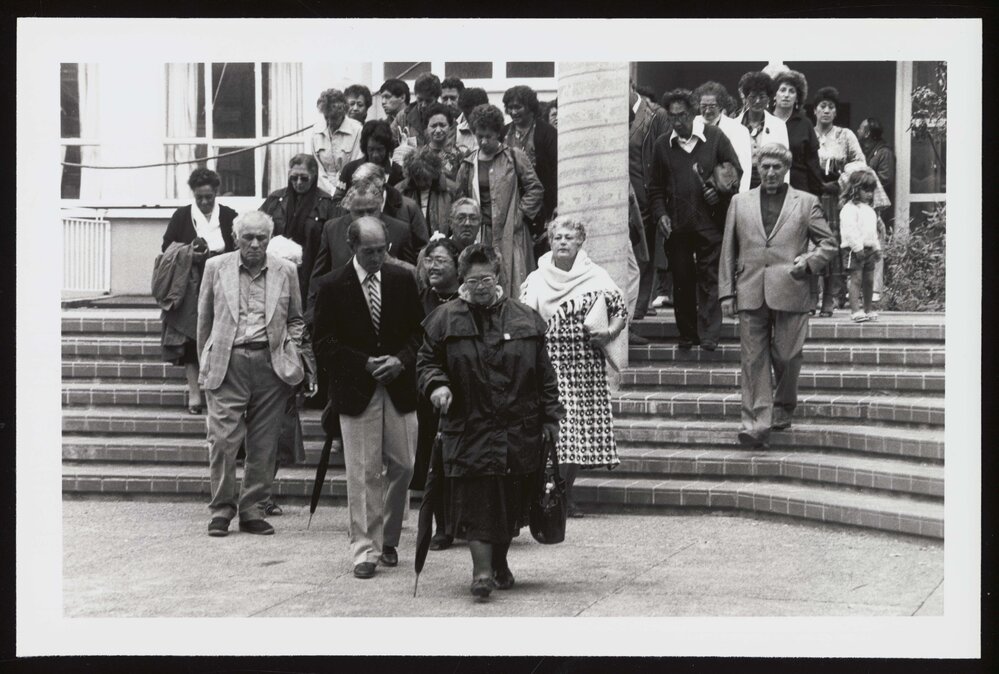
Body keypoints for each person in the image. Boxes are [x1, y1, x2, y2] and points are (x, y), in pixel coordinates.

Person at [418, 244, 563, 597]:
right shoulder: (444, 319)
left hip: (519, 429)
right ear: (461, 280)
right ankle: (481, 573)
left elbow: (545, 375)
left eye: (486, 278)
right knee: (478, 500)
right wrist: (437, 386)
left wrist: (551, 417)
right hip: (469, 427)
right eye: (472, 280)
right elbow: (427, 363)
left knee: (510, 502)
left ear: (498, 277)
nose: (480, 286)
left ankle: (499, 563)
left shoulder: (524, 317)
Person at [312, 216, 425, 579]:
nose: (377, 257)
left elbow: (418, 335)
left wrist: (400, 360)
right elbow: (323, 343)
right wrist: (363, 363)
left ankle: (389, 536)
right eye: (369, 251)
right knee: (363, 471)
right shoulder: (331, 285)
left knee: (404, 464)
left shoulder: (402, 279)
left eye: (382, 250)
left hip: (399, 385)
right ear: (352, 247)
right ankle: (365, 550)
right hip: (356, 389)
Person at [198, 211, 315, 537]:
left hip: (270, 365)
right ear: (236, 238)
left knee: (264, 444)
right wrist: (206, 363)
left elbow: (296, 317)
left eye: (261, 238)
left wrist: (288, 349)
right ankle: (221, 509)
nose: (254, 244)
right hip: (227, 363)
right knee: (222, 441)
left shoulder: (286, 270)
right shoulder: (215, 268)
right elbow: (203, 320)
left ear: (269, 238)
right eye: (247, 237)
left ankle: (252, 510)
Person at [718, 144, 838, 448]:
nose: (770, 173)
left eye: (776, 168)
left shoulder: (806, 202)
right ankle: (756, 425)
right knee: (753, 360)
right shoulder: (739, 202)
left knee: (787, 355)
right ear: (758, 168)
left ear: (786, 170)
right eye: (765, 167)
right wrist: (726, 292)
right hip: (750, 289)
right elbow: (727, 251)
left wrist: (808, 262)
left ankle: (784, 404)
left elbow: (828, 244)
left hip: (791, 287)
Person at [520, 218, 626, 518]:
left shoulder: (596, 275)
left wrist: (609, 333)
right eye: (557, 237)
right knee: (562, 432)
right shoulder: (537, 278)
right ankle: (554, 494)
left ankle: (564, 494)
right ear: (550, 241)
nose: (563, 242)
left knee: (578, 433)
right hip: (550, 362)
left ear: (580, 242)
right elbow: (524, 317)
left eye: (569, 237)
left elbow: (620, 309)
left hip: (586, 364)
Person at [647, 88, 743, 351]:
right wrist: (661, 214)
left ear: (693, 113)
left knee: (710, 277)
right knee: (682, 279)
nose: (677, 122)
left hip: (710, 222)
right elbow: (654, 188)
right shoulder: (662, 146)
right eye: (672, 117)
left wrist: (717, 189)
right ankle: (688, 334)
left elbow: (735, 171)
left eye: (682, 116)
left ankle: (710, 334)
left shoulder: (714, 138)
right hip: (677, 225)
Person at [160, 167, 237, 415]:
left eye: (209, 197)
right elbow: (167, 247)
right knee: (192, 337)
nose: (204, 202)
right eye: (199, 197)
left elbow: (239, 247)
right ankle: (195, 393)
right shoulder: (182, 216)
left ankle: (217, 390)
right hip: (190, 285)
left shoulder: (228, 216)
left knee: (221, 335)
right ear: (193, 195)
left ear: (216, 193)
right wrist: (188, 253)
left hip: (223, 283)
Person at [455, 103, 544, 298]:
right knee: (484, 280)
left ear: (498, 134)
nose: (484, 141)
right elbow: (460, 198)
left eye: (489, 136)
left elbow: (535, 188)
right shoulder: (468, 163)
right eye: (480, 136)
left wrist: (520, 214)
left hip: (511, 232)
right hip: (481, 232)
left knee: (515, 283)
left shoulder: (514, 156)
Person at [410, 238, 462, 550]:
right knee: (436, 459)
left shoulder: (468, 299)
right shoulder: (418, 299)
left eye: (441, 260)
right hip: (428, 392)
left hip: (463, 390)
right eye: (429, 260)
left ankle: (465, 521)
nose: (433, 266)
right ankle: (442, 526)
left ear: (457, 265)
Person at [307, 182, 422, 313]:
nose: (366, 216)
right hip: (343, 309)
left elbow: (412, 276)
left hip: (387, 309)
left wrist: (393, 262)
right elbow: (319, 275)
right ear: (349, 209)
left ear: (380, 206)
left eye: (371, 211)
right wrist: (310, 314)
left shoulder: (400, 229)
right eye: (359, 212)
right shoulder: (332, 228)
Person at [811, 85, 866, 316]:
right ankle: (812, 297)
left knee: (832, 245)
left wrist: (841, 181)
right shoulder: (808, 132)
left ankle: (830, 299)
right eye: (822, 106)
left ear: (835, 112)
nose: (826, 111)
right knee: (812, 246)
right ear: (815, 110)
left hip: (835, 197)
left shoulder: (845, 135)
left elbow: (860, 163)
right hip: (811, 196)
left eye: (831, 107)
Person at [258, 154, 339, 305]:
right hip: (277, 269)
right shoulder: (275, 200)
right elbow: (258, 227)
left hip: (311, 270)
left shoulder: (326, 203)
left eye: (304, 178)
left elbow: (332, 242)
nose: (298, 183)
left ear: (314, 176)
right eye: (294, 178)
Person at [628, 80, 672, 322]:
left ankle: (636, 313)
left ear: (631, 86)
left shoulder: (656, 115)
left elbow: (664, 156)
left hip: (644, 197)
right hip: (618, 200)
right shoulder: (611, 114)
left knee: (643, 257)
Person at [503, 85, 558, 247]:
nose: (513, 112)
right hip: (511, 201)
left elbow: (555, 171)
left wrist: (555, 204)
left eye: (518, 107)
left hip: (543, 203)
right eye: (510, 107)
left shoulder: (547, 133)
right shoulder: (503, 132)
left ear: (530, 107)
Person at [351, 162, 430, 259]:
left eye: (366, 186)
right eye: (357, 187)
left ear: (380, 184)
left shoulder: (409, 207)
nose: (361, 192)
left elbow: (422, 248)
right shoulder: (353, 206)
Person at [770, 70, 825, 196]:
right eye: (782, 90)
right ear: (774, 95)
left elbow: (813, 164)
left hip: (799, 188)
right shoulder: (766, 120)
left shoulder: (805, 124)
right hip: (769, 186)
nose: (786, 95)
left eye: (792, 91)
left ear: (797, 98)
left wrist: (816, 195)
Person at [694, 81, 753, 193]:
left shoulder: (738, 130)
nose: (707, 111)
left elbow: (744, 168)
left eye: (712, 106)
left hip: (726, 193)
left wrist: (740, 198)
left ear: (721, 105)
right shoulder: (692, 125)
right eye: (703, 106)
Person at [839, 171, 882, 322]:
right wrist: (857, 248)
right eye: (866, 190)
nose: (869, 194)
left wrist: (876, 248)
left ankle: (868, 309)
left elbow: (872, 232)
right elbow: (850, 231)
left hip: (869, 249)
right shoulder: (849, 209)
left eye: (871, 191)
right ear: (855, 189)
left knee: (869, 280)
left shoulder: (870, 210)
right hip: (853, 249)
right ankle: (855, 311)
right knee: (856, 278)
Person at [737, 71, 789, 190]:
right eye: (753, 97)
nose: (757, 101)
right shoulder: (734, 126)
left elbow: (785, 162)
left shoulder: (779, 126)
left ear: (769, 99)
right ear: (745, 98)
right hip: (740, 186)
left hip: (770, 185)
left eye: (762, 97)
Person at [307, 88, 364, 194]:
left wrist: (342, 191)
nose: (329, 121)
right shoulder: (316, 131)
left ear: (343, 113)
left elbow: (357, 164)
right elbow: (317, 168)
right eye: (326, 117)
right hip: (323, 191)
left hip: (350, 189)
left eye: (333, 118)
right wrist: (331, 191)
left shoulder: (357, 130)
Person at [333, 120, 405, 202]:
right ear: (365, 148)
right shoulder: (350, 169)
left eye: (380, 149)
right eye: (371, 149)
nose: (375, 155)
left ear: (387, 148)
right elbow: (337, 200)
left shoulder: (398, 173)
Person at [398, 145, 453, 236]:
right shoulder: (400, 191)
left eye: (426, 178)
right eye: (417, 178)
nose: (422, 183)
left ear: (434, 174)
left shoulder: (450, 190)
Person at [421, 102, 464, 184]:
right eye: (433, 126)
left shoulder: (460, 155)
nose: (438, 130)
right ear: (426, 127)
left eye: (442, 125)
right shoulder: (420, 155)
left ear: (450, 126)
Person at [455, 87, 489, 156]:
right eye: (468, 112)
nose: (472, 117)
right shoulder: (457, 132)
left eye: (476, 112)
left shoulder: (494, 131)